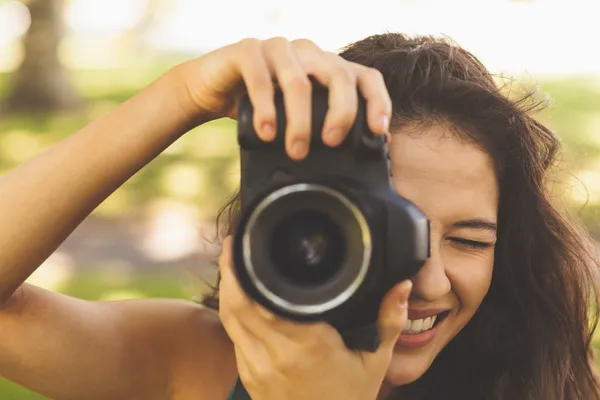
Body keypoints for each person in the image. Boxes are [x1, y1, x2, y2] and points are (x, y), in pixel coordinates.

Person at [0, 32, 598, 400]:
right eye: (393, 230)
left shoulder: (547, 388)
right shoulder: (198, 364)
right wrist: (182, 97)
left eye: (468, 241)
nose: (430, 281)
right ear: (298, 227)